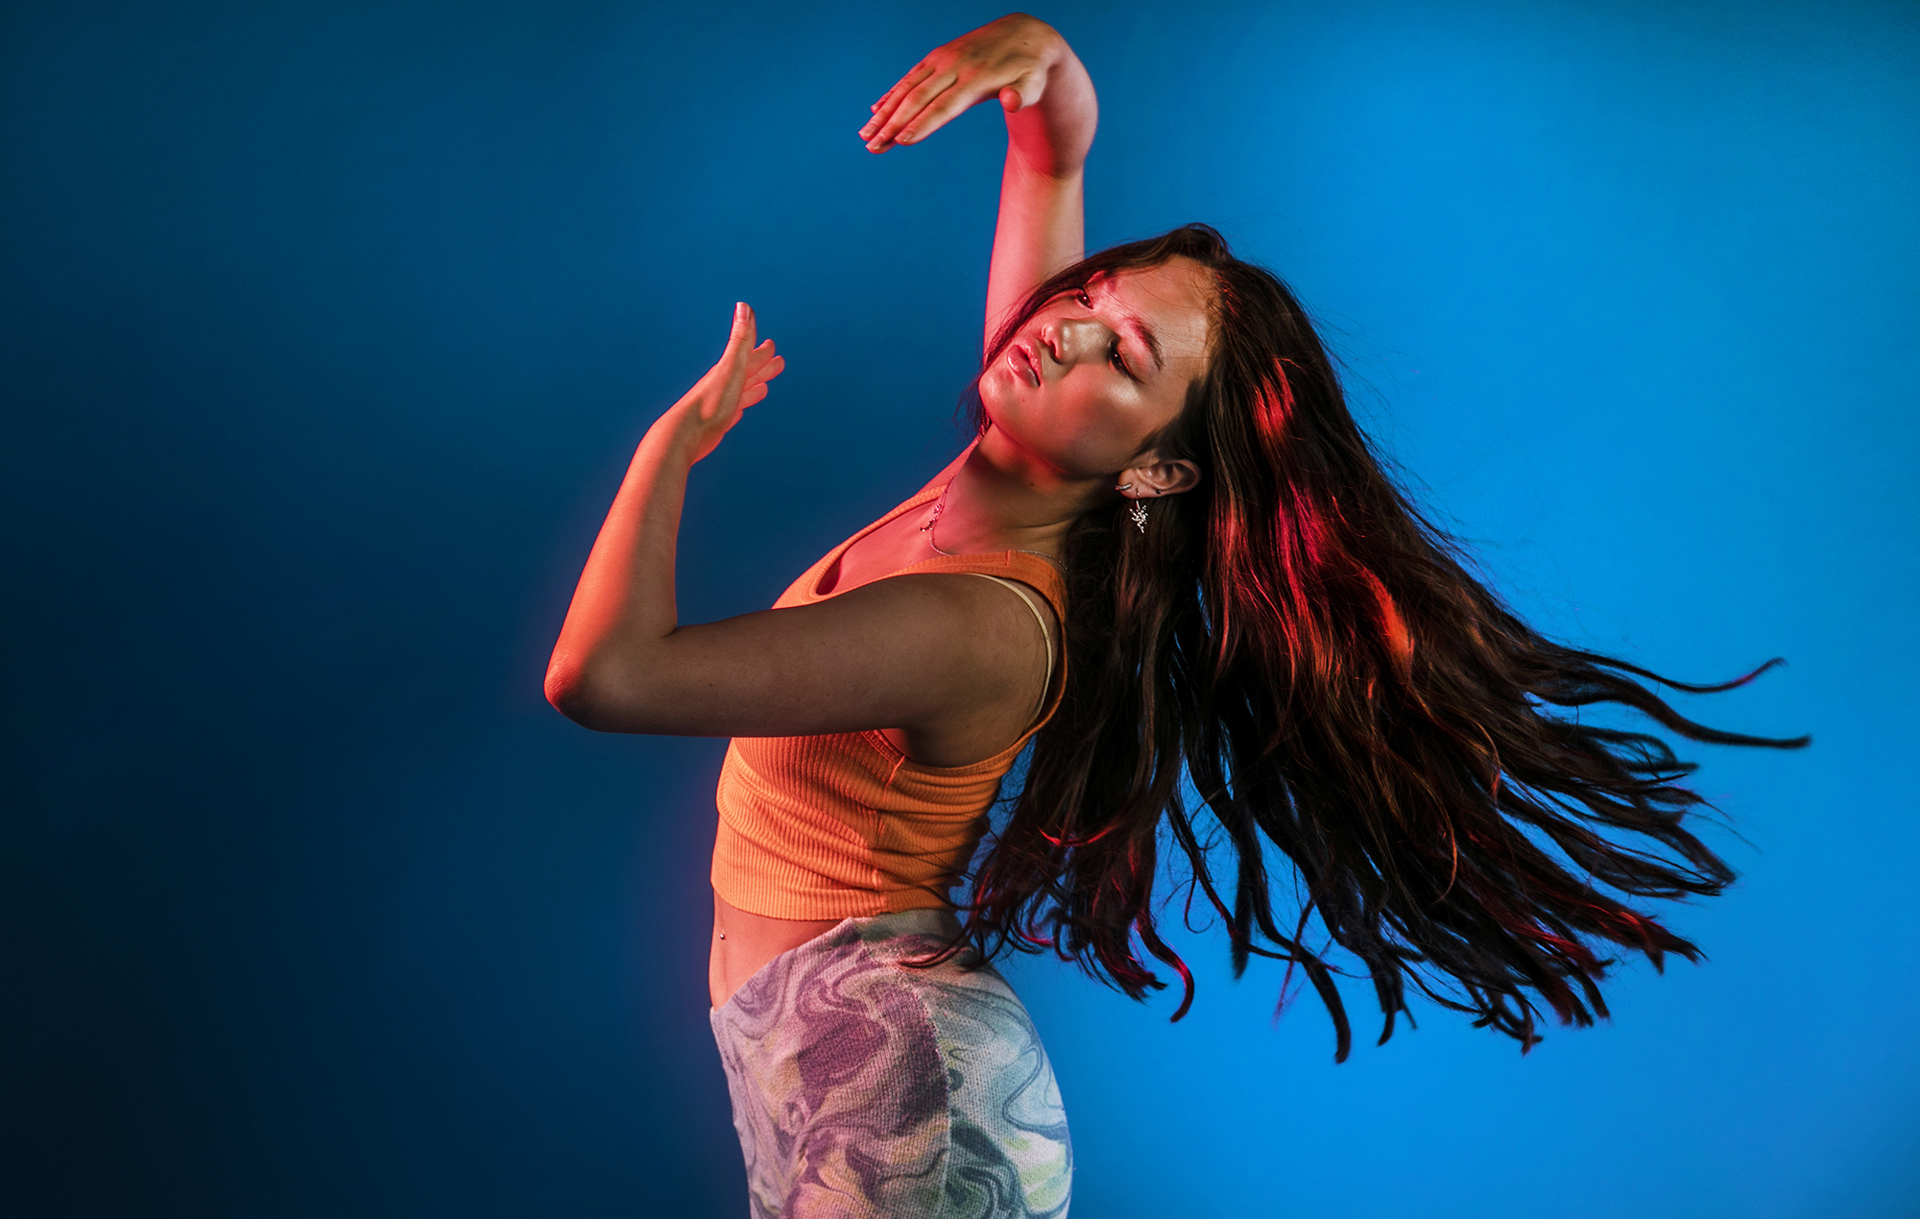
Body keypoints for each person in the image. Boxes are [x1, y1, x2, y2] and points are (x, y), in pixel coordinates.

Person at [544, 13, 1804, 1218]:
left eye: (1122, 356)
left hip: (906, 1094)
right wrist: (1036, 59)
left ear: (1152, 467)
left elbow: (607, 675)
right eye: (1087, 296)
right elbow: (1053, 142)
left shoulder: (982, 624)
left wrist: (670, 447)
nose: (1063, 331)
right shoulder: (1021, 454)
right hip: (817, 1061)